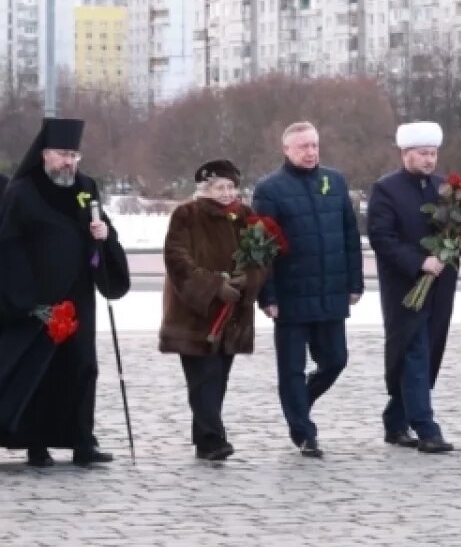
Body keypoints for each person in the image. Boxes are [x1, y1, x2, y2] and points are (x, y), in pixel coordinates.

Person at [0, 118, 130, 467]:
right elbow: (8, 246)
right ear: (44, 154)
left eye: (73, 155)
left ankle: (82, 442)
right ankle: (36, 445)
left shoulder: (86, 187)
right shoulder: (22, 191)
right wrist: (25, 299)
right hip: (38, 301)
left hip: (79, 295)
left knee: (82, 366)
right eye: (61, 154)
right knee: (40, 372)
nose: (68, 162)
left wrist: (103, 235)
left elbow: (100, 228)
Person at [253, 122, 364, 459]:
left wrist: (354, 283)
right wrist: (267, 296)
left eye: (314, 145)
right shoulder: (270, 189)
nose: (310, 152)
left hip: (330, 290)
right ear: (286, 149)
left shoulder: (335, 181)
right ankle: (304, 432)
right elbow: (262, 247)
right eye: (303, 146)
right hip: (290, 296)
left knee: (335, 360)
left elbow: (350, 235)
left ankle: (299, 402)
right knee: (292, 369)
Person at [159, 160, 269, 461]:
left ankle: (206, 438)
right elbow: (177, 258)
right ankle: (212, 440)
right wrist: (212, 286)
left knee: (218, 378)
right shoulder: (187, 214)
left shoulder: (245, 216)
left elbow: (261, 257)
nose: (226, 193)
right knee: (203, 377)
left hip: (232, 314)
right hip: (195, 314)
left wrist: (249, 278)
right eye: (219, 187)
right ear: (205, 189)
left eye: (231, 187)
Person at [367, 122, 460, 455]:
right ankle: (426, 428)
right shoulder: (386, 189)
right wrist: (419, 262)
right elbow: (382, 238)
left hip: (440, 286)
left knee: (429, 353)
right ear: (405, 153)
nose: (429, 159)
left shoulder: (444, 188)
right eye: (423, 153)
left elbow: (454, 233)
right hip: (405, 288)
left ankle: (395, 421)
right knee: (414, 351)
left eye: (433, 153)